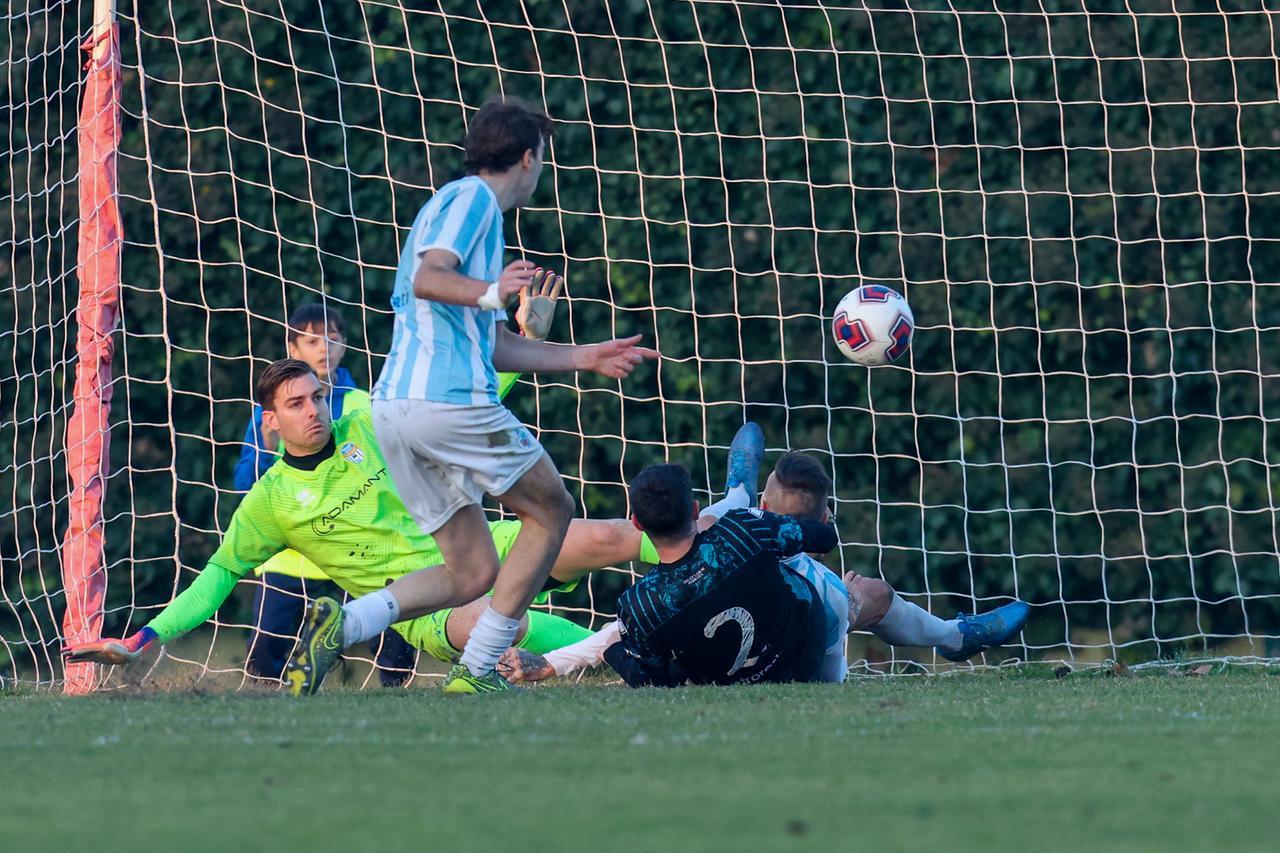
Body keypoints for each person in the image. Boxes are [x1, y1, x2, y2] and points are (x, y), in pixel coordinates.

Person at [289, 95, 658, 695]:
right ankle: (478, 669)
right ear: (528, 157)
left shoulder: (452, 207)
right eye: (544, 156)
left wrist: (584, 356)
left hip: (395, 413)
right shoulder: (474, 200)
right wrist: (492, 290)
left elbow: (492, 345)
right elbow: (428, 278)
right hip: (448, 404)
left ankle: (344, 624)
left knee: (472, 570)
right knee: (552, 510)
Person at [60, 358, 648, 675]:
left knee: (609, 535)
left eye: (317, 396)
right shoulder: (269, 502)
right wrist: (142, 639)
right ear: (270, 422)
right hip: (427, 608)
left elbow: (458, 406)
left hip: (479, 544)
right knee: (499, 627)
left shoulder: (365, 423)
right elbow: (216, 579)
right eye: (296, 404)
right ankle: (625, 654)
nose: (314, 410)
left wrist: (527, 339)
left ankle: (702, 552)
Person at [500, 452, 1031, 685]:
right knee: (863, 593)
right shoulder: (747, 534)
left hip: (723, 668)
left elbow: (622, 644)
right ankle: (954, 638)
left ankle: (737, 485)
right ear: (694, 511)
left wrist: (550, 664)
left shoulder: (643, 602)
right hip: (806, 657)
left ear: (635, 522)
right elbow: (819, 538)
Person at [233, 303, 415, 685]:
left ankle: (398, 689)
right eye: (313, 340)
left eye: (332, 339)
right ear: (293, 348)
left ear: (345, 345)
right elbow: (245, 487)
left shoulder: (362, 404)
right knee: (266, 648)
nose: (324, 348)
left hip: (359, 546)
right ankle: (263, 698)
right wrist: (266, 448)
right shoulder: (270, 414)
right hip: (293, 552)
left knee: (395, 632)